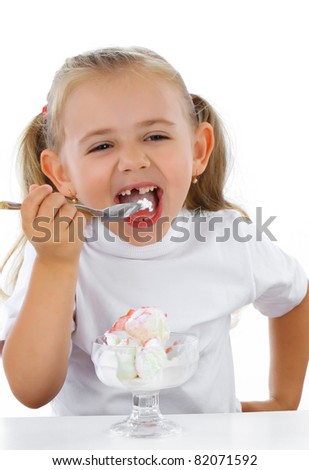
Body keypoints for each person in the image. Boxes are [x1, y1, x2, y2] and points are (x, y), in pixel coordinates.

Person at [0, 47, 308, 416]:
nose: (134, 160)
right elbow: (31, 390)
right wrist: (57, 265)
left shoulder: (229, 239)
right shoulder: (58, 249)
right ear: (62, 173)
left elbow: (294, 295)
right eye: (102, 145)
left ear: (198, 150)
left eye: (156, 137)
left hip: (208, 451)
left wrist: (284, 400)